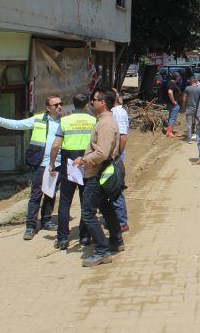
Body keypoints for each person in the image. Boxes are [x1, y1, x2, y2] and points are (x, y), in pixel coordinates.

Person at [0, 96, 62, 240]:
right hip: (40, 163)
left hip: (56, 164)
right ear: (48, 108)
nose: (59, 107)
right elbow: (17, 125)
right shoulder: (38, 119)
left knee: (50, 194)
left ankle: (46, 220)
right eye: (55, 104)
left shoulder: (65, 121)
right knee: (36, 195)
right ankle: (31, 226)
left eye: (60, 104)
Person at [75, 89, 122, 267]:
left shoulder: (105, 124)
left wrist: (84, 159)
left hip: (96, 172)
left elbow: (101, 153)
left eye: (94, 100)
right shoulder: (104, 121)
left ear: (102, 102)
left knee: (88, 214)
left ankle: (102, 251)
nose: (91, 102)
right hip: (99, 171)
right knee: (106, 207)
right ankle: (116, 240)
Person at [49, 93, 97, 250]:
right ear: (87, 104)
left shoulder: (65, 120)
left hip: (69, 164)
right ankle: (84, 236)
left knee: (65, 201)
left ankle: (62, 238)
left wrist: (51, 164)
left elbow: (56, 145)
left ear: (73, 104)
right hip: (87, 162)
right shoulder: (93, 120)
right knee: (86, 201)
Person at [110, 87, 130, 233]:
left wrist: (116, 156)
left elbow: (123, 137)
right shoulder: (113, 112)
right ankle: (115, 219)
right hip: (112, 158)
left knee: (116, 190)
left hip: (115, 159)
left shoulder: (118, 113)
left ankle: (121, 222)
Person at [182, 75, 200, 143]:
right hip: (197, 108)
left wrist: (183, 107)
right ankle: (197, 137)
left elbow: (184, 99)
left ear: (191, 81)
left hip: (189, 108)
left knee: (189, 123)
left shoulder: (187, 88)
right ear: (196, 81)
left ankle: (189, 138)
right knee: (197, 123)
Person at [165, 72, 182, 138]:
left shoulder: (171, 83)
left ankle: (169, 131)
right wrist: (173, 101)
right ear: (176, 77)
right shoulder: (172, 83)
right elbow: (170, 92)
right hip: (173, 104)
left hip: (171, 104)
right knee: (173, 118)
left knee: (171, 117)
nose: (179, 78)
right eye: (179, 77)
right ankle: (169, 133)